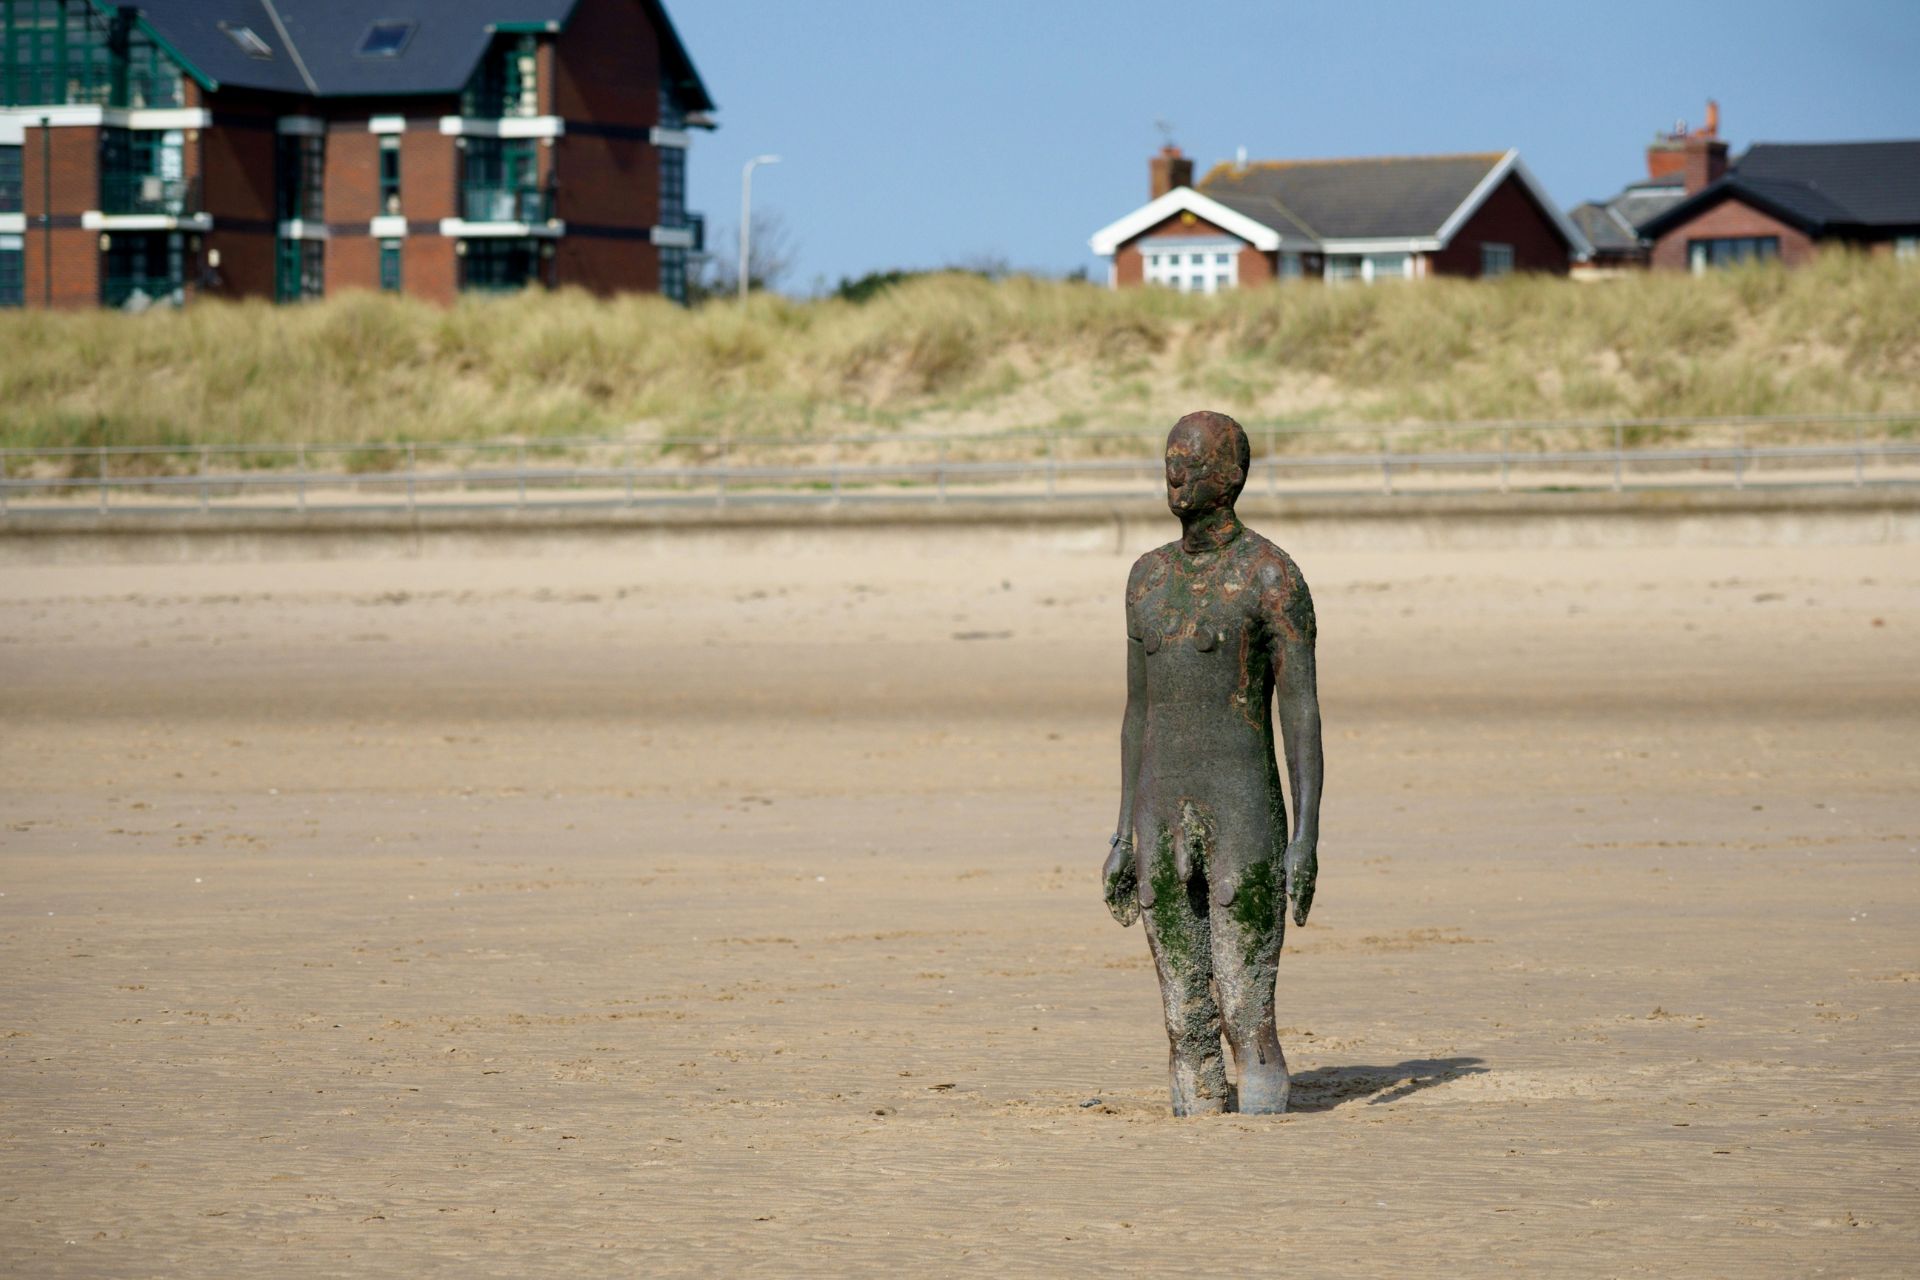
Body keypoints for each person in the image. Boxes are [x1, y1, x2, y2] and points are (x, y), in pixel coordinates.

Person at [1101, 410, 1324, 1116]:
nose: (1176, 472)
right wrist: (1119, 835)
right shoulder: (1147, 578)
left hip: (1245, 812)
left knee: (1246, 1014)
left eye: (1192, 461)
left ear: (1229, 476)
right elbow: (1137, 712)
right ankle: (1197, 1176)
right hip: (1159, 810)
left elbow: (1302, 712)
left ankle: (1260, 1169)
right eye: (1170, 458)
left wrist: (1306, 837)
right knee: (1184, 1020)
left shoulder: (1269, 575)